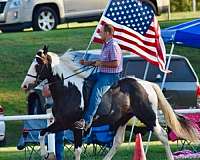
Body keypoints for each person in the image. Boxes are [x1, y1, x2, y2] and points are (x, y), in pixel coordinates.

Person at [74, 23, 123, 130]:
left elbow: (116, 63)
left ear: (107, 33)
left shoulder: (113, 46)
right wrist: (87, 63)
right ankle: (88, 108)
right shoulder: (105, 45)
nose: (99, 33)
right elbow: (100, 62)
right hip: (102, 73)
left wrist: (100, 63)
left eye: (101, 31)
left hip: (111, 76)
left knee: (97, 92)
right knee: (86, 81)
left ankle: (87, 121)